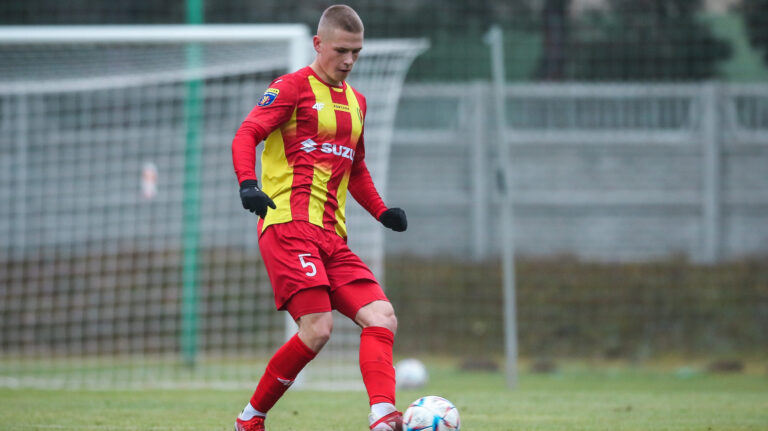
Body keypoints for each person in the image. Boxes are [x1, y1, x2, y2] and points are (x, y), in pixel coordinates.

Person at [230, 4, 408, 431]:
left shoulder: (357, 102)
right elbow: (247, 133)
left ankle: (383, 415)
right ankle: (250, 419)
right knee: (317, 328)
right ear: (318, 44)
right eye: (341, 50)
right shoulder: (291, 88)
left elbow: (355, 167)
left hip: (332, 237)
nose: (349, 61)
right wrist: (248, 183)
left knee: (382, 316)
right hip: (288, 228)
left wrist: (381, 211)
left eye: (356, 52)